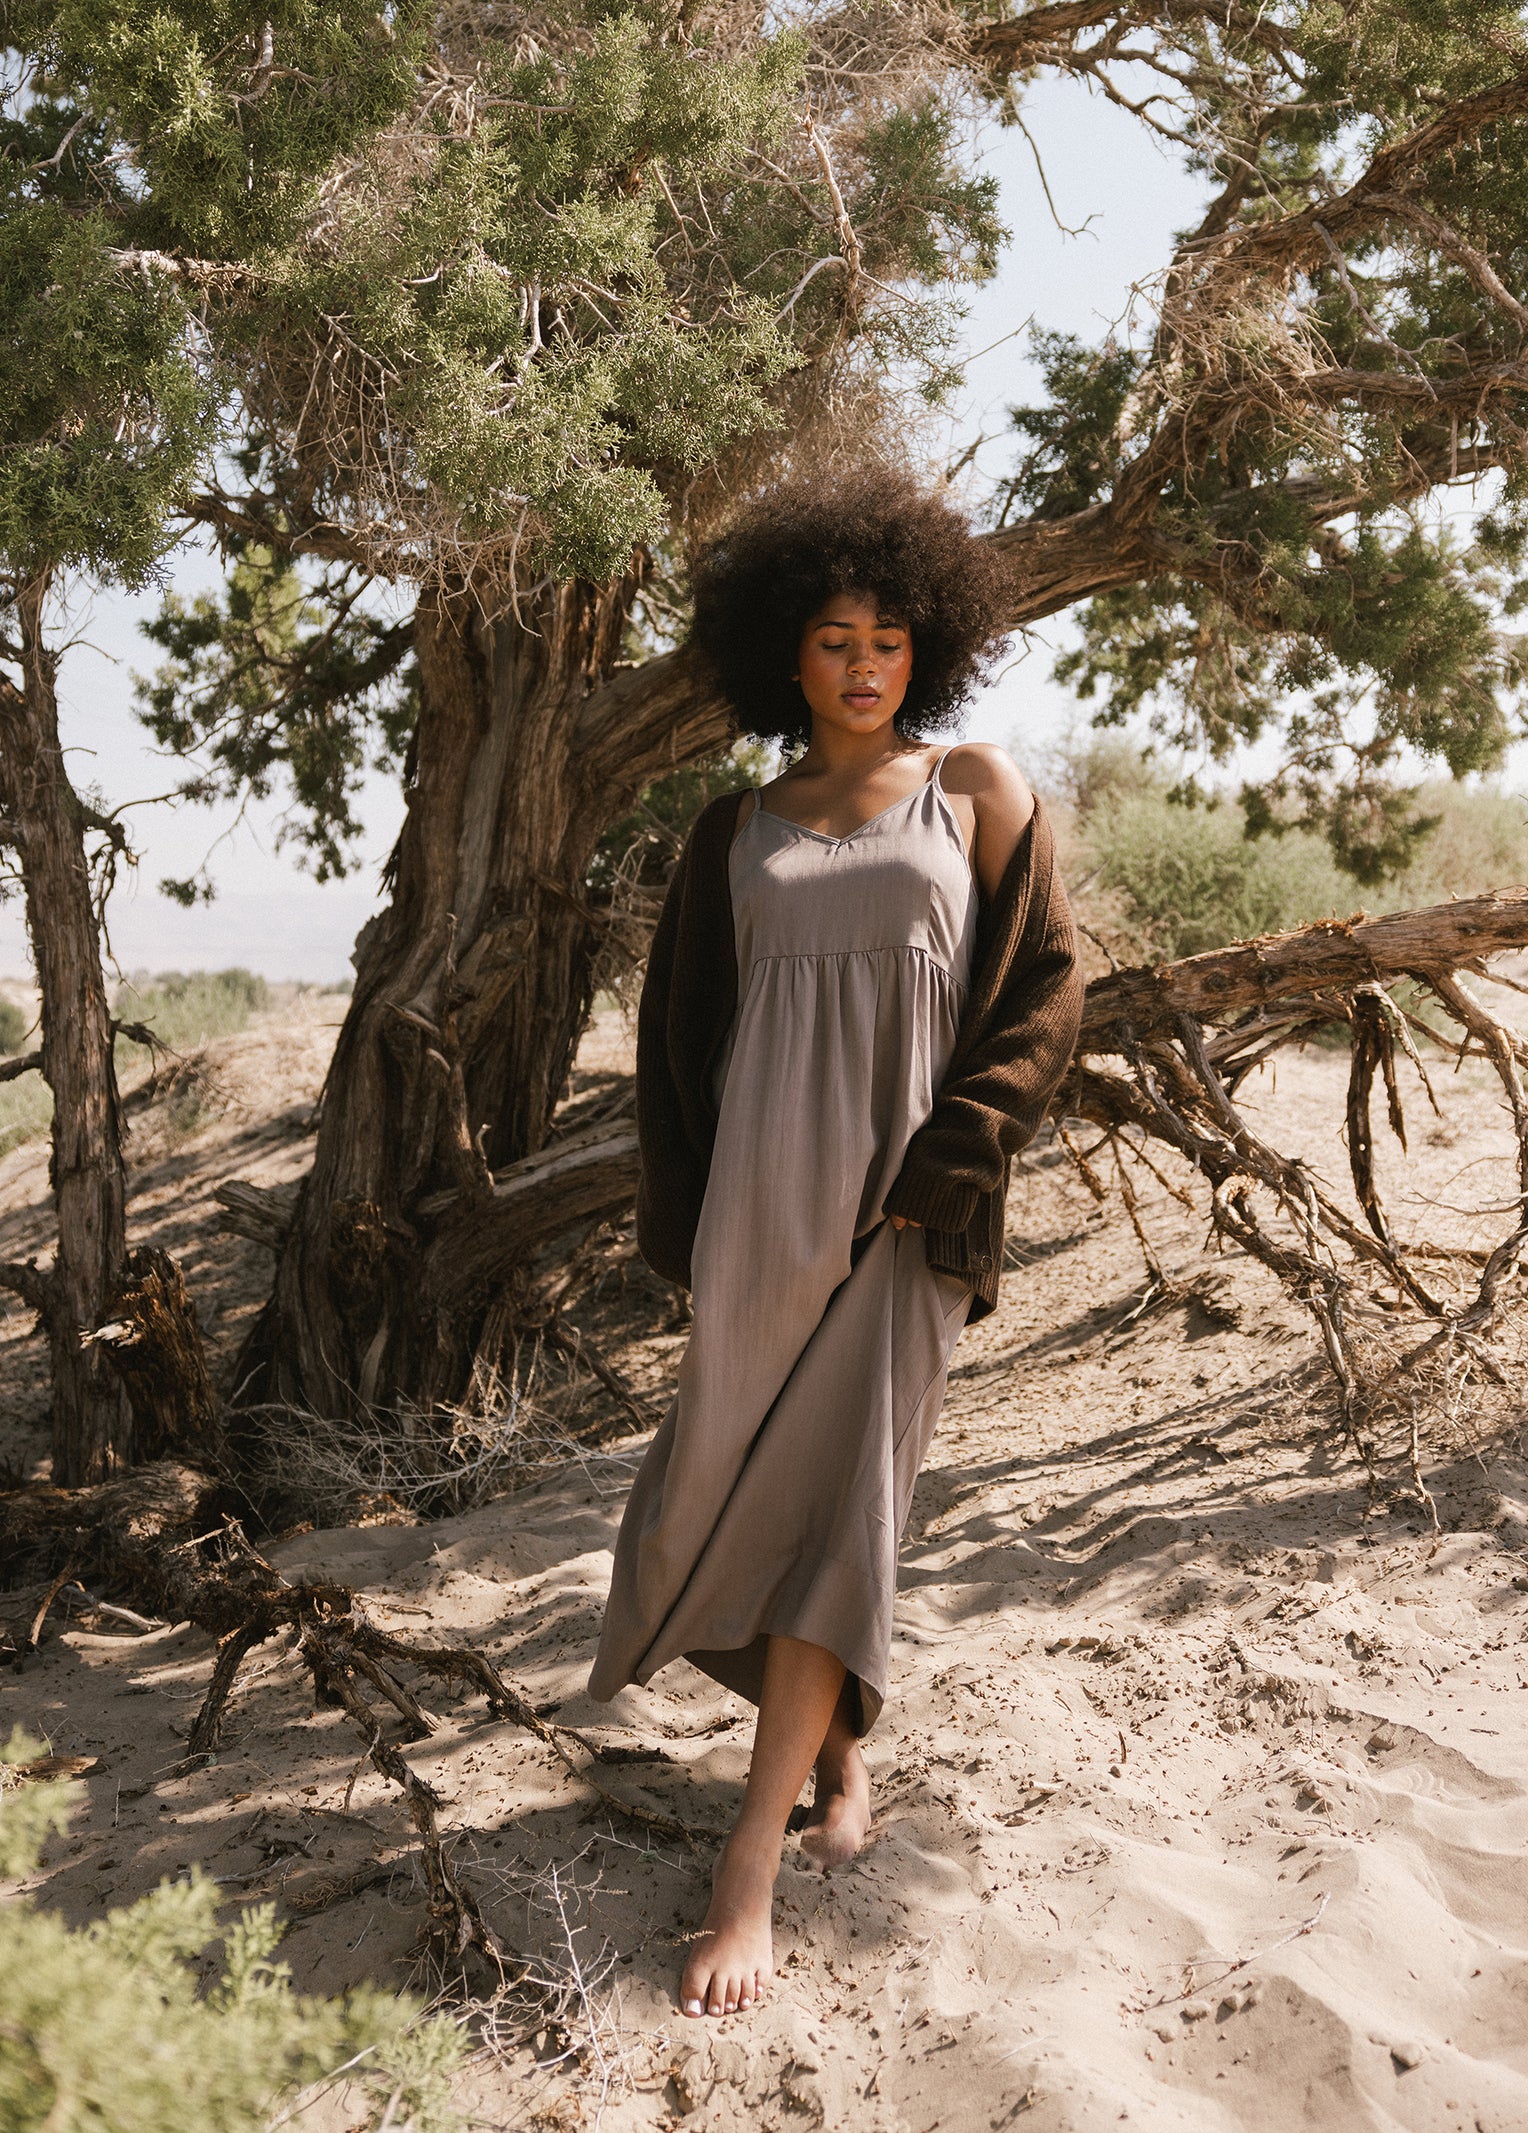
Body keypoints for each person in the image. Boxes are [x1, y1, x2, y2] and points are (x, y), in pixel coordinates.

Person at [587, 474, 1085, 2022]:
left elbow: (1049, 989)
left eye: (887, 636)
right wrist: (686, 1227)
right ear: (783, 658)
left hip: (906, 1213)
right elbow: (681, 1046)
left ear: (920, 648)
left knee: (846, 1502)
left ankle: (753, 1855)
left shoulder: (979, 789)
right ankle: (841, 1762)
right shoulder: (733, 828)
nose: (864, 663)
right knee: (721, 1500)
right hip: (760, 1212)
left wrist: (962, 1149)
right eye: (830, 638)